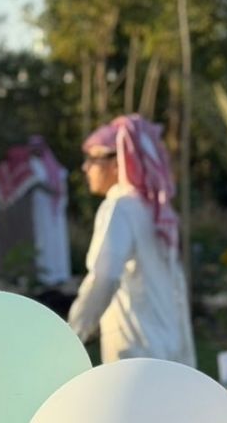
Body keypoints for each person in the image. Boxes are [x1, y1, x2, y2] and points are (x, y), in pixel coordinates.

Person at [68, 114, 196, 366]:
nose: (85, 168)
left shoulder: (121, 208)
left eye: (93, 159)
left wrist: (74, 332)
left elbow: (104, 277)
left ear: (118, 163)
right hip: (170, 345)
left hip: (136, 349)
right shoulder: (153, 210)